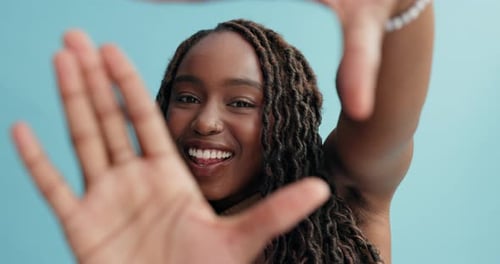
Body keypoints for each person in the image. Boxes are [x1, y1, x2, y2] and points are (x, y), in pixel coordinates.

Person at [11, 0, 434, 263]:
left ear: (288, 119)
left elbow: (385, 121)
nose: (206, 122)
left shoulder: (342, 201)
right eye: (187, 97)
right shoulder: (146, 242)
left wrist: (400, 8)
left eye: (241, 103)